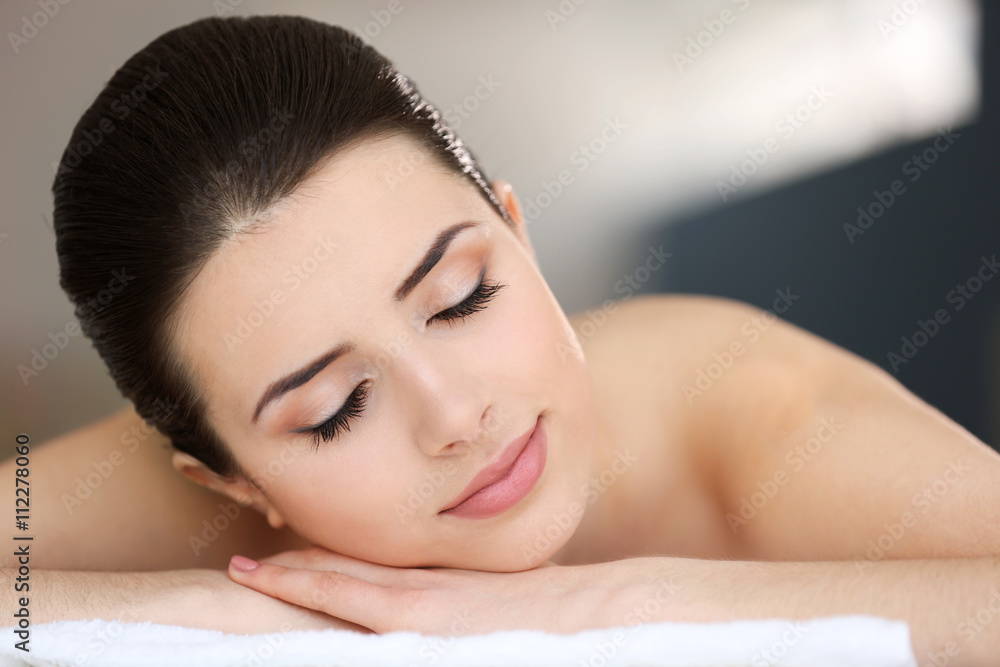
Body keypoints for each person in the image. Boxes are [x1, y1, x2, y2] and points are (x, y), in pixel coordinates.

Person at [6, 13, 1000, 661]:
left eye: (460, 297)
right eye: (335, 410)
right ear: (233, 484)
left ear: (517, 232)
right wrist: (235, 622)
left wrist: (601, 611)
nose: (452, 415)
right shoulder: (210, 511)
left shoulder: (748, 408)